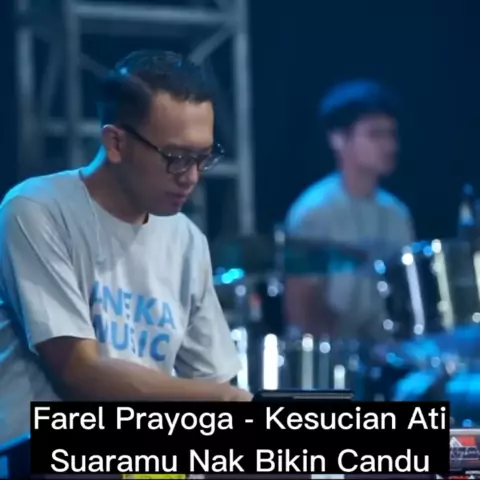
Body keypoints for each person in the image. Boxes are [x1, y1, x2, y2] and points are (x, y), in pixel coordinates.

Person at [0, 50, 251, 446]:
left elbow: (215, 379)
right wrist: (217, 398)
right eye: (176, 158)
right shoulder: (36, 209)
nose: (191, 177)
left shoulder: (186, 239)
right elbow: (79, 371)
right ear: (116, 142)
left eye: (203, 158)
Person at [284, 79, 414, 343]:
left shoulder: (397, 213)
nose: (390, 146)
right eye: (376, 135)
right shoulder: (315, 211)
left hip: (390, 354)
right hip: (335, 355)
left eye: (391, 135)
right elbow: (301, 310)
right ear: (338, 139)